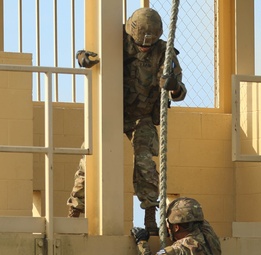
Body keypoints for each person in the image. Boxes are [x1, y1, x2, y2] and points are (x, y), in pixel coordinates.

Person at [67, 7, 187, 236]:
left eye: (148, 44)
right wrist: (81, 57)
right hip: (112, 111)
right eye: (141, 43)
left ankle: (151, 217)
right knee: (89, 160)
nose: (144, 47)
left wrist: (173, 86)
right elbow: (89, 54)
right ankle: (75, 210)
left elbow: (180, 93)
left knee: (145, 163)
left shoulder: (164, 52)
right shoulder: (115, 39)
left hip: (141, 116)